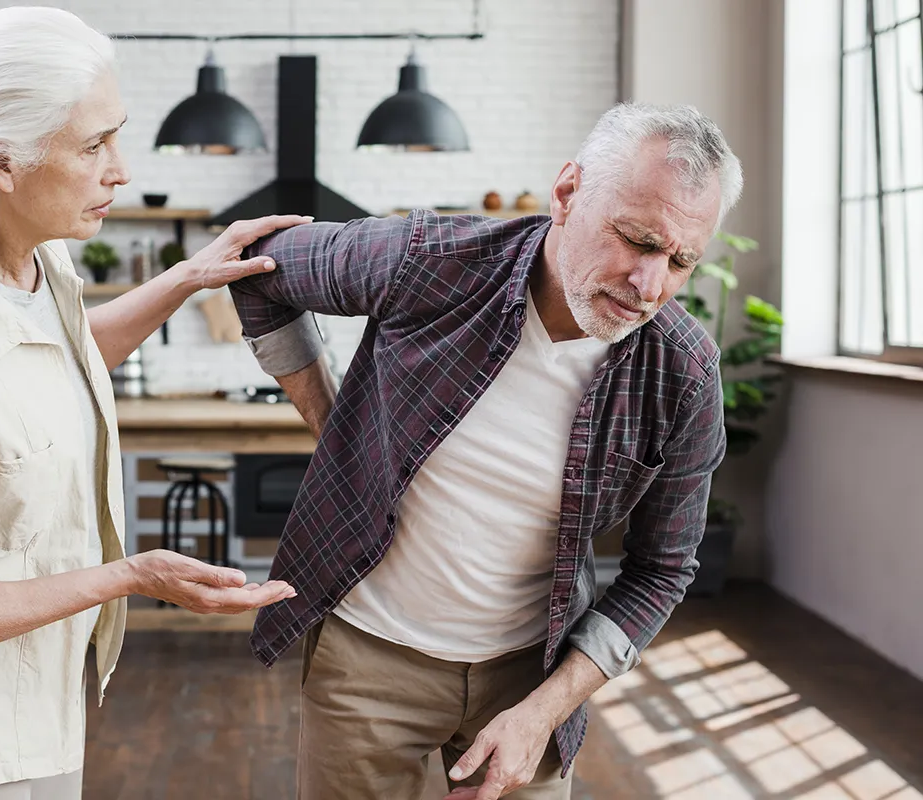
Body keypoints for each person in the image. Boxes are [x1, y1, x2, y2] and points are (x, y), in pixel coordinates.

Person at [0, 7, 304, 798]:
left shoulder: (27, 259)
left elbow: (60, 356)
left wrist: (187, 278)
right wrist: (127, 576)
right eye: (93, 146)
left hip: (34, 706)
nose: (119, 168)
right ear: (5, 162)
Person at [228, 102, 743, 800]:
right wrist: (333, 424)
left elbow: (663, 569)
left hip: (529, 677)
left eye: (681, 260)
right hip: (368, 660)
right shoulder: (430, 261)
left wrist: (543, 712)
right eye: (637, 240)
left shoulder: (684, 371)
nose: (650, 285)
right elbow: (259, 268)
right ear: (567, 194)